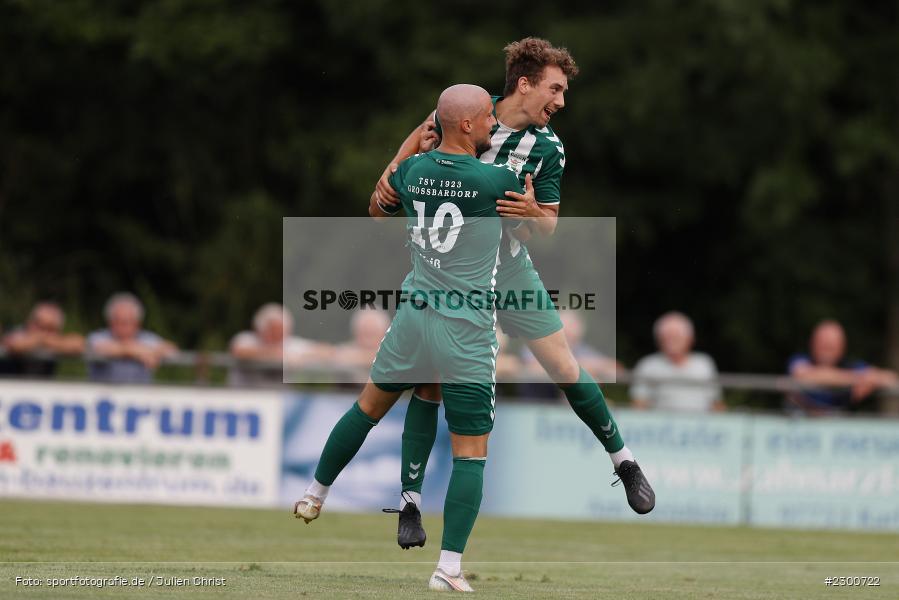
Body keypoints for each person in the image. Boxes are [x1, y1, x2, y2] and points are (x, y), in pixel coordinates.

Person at [374, 38, 654, 537]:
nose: (561, 102)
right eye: (556, 89)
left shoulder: (548, 147)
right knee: (429, 382)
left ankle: (624, 462)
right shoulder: (463, 112)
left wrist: (531, 214)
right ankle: (410, 504)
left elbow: (547, 226)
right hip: (452, 277)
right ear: (524, 84)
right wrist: (387, 180)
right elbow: (408, 155)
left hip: (511, 270)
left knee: (565, 366)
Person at [294, 84, 520, 592]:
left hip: (415, 317)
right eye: (487, 117)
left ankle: (313, 493)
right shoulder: (495, 180)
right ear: (466, 125)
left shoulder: (415, 172)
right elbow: (535, 223)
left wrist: (408, 145)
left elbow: (379, 201)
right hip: (465, 328)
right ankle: (448, 568)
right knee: (471, 452)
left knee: (366, 409)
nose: (492, 125)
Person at [787, 319, 899, 414]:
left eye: (831, 346)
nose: (826, 350)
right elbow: (804, 375)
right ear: (812, 343)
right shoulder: (800, 359)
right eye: (823, 344)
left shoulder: (849, 365)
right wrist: (857, 379)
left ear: (842, 347)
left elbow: (891, 378)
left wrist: (871, 381)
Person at [630, 311, 724, 412]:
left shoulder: (704, 363)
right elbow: (638, 404)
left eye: (677, 337)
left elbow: (716, 403)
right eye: (667, 337)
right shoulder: (647, 365)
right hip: (661, 425)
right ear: (658, 340)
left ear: (690, 339)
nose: (671, 342)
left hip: (702, 425)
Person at [229, 303, 332, 386]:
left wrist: (303, 357)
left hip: (281, 403)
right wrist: (275, 355)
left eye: (281, 331)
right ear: (261, 329)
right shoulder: (247, 339)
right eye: (273, 331)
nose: (278, 335)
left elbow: (326, 350)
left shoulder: (290, 344)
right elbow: (239, 351)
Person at [86, 292, 177, 384]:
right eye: (117, 321)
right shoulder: (99, 337)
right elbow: (96, 347)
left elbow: (170, 349)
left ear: (137, 323)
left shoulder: (146, 338)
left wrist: (155, 352)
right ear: (110, 322)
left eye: (127, 322)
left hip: (140, 397)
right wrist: (134, 351)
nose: (122, 327)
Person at [1, 302, 84, 377]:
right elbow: (14, 345)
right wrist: (41, 339)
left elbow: (78, 345)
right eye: (41, 326)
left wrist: (45, 341)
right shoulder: (17, 332)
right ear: (31, 323)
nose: (44, 333)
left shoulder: (54, 340)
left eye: (49, 328)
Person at [332, 308, 391, 377]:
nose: (368, 338)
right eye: (365, 332)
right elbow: (329, 354)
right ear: (355, 332)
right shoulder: (346, 350)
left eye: (373, 332)